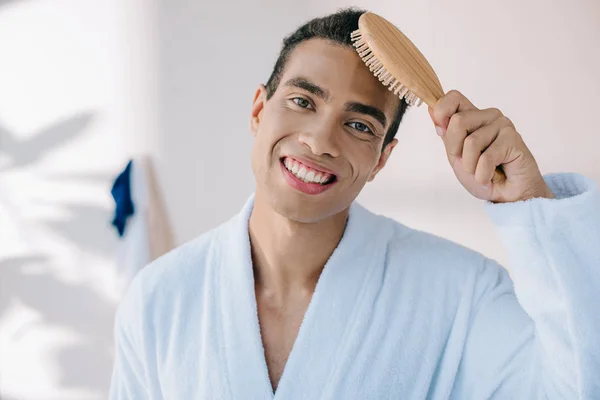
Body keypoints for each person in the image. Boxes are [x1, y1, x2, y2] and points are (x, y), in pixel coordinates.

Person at [109, 8, 600, 399]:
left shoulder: (461, 294)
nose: (321, 141)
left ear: (382, 158)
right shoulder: (159, 300)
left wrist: (530, 203)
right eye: (303, 101)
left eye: (360, 125)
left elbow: (579, 387)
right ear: (259, 110)